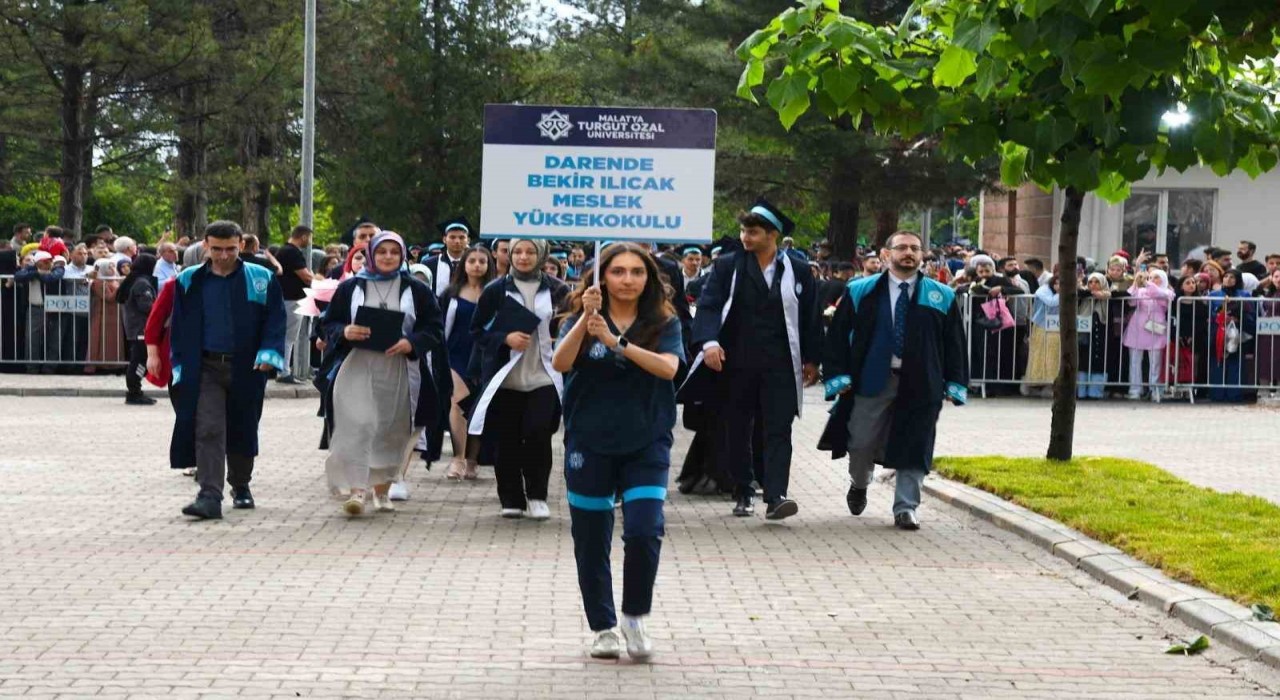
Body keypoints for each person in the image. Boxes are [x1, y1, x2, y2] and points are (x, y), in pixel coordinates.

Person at [551, 242, 685, 661]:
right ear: (602, 277)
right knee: (591, 539)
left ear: (648, 278)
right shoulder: (580, 317)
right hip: (589, 443)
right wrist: (586, 323)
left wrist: (616, 341)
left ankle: (635, 616)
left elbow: (668, 368)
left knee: (645, 530)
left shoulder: (663, 321)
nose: (628, 280)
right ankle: (603, 626)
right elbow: (560, 363)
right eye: (618, 272)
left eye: (637, 272)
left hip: (647, 441)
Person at [681, 198, 821, 520]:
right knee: (737, 429)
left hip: (781, 365)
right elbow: (710, 305)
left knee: (778, 428)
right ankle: (743, 489)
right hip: (735, 363)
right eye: (744, 231)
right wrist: (709, 343)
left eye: (753, 232)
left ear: (773, 235)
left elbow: (810, 316)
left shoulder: (797, 270)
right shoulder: (728, 265)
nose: (746, 237)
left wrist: (812, 359)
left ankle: (776, 496)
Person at [819, 230, 967, 530]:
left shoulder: (941, 295)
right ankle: (860, 482)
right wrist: (838, 376)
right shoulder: (861, 290)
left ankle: (906, 508)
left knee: (916, 442)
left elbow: (954, 343)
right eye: (901, 248)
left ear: (923, 254)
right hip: (872, 378)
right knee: (860, 441)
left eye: (915, 248)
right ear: (887, 254)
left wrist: (955, 383)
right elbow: (837, 338)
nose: (908, 253)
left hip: (922, 380)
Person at [317, 231, 444, 516]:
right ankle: (357, 491)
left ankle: (383, 488)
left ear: (402, 256)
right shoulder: (351, 287)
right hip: (357, 366)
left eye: (394, 252)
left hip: (399, 368)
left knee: (390, 428)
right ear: (372, 254)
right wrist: (345, 331)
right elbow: (329, 322)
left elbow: (434, 327)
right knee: (358, 425)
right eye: (382, 251)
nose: (388, 257)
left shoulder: (416, 290)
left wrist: (412, 343)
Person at [169, 221, 287, 520]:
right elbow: (180, 327)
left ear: (241, 246)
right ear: (205, 246)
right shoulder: (188, 280)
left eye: (231, 249)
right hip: (204, 366)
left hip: (247, 366)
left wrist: (269, 354)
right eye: (217, 249)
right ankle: (209, 495)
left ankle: (241, 484)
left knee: (243, 425)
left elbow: (275, 319)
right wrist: (179, 365)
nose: (224, 255)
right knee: (208, 428)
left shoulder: (261, 278)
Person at [467, 238, 568, 520]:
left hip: (545, 374)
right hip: (505, 375)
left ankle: (537, 495)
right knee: (506, 437)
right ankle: (511, 497)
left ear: (542, 255)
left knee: (538, 432)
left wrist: (560, 335)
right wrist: (504, 338)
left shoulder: (558, 289)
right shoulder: (496, 290)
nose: (524, 257)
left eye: (531, 251)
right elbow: (477, 331)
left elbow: (570, 324)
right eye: (518, 252)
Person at [436, 245, 495, 482]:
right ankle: (458, 458)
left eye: (483, 261)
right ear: (464, 265)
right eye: (473, 261)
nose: (477, 265)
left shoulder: (496, 292)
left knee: (479, 410)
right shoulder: (450, 294)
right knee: (458, 403)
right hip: (454, 356)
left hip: (484, 358)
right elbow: (440, 329)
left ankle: (473, 460)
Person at [1122, 269, 1174, 401]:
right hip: (1137, 327)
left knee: (1155, 362)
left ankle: (1154, 389)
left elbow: (1158, 294)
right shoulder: (1141, 291)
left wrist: (1146, 282)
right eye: (1151, 277)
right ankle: (1135, 389)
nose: (1153, 280)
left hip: (1156, 328)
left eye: (1157, 277)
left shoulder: (1168, 292)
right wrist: (1136, 282)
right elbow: (1131, 301)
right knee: (1134, 361)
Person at [275, 225, 315, 384]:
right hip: (292, 299)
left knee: (286, 335)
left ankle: (283, 369)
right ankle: (284, 371)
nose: (310, 242)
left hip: (286, 297)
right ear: (304, 236)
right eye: (310, 238)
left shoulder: (283, 250)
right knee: (289, 336)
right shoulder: (293, 252)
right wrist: (322, 282)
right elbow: (306, 276)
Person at [117, 253, 159, 405]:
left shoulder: (135, 280)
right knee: (140, 361)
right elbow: (146, 306)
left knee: (139, 360)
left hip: (137, 327)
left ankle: (135, 389)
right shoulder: (141, 283)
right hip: (141, 328)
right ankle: (134, 391)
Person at [1023, 275, 1060, 395]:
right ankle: (1035, 383)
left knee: (1054, 355)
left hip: (1057, 327)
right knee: (1040, 355)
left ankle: (1053, 382)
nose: (1058, 286)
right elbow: (1052, 302)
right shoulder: (1043, 290)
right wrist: (1062, 292)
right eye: (1057, 283)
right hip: (1042, 326)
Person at [1077, 273, 1111, 399]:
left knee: (1098, 359)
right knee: (1084, 359)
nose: (1093, 285)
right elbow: (1079, 292)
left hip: (1100, 332)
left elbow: (1109, 294)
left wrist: (1102, 294)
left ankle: (1095, 391)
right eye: (1091, 282)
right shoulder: (1084, 294)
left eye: (1097, 282)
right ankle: (1081, 391)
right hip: (1084, 333)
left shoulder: (1106, 294)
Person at [424, 217, 471, 297]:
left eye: (461, 237)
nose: (457, 241)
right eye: (452, 237)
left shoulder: (473, 264)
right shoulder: (429, 264)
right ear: (444, 239)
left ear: (468, 240)